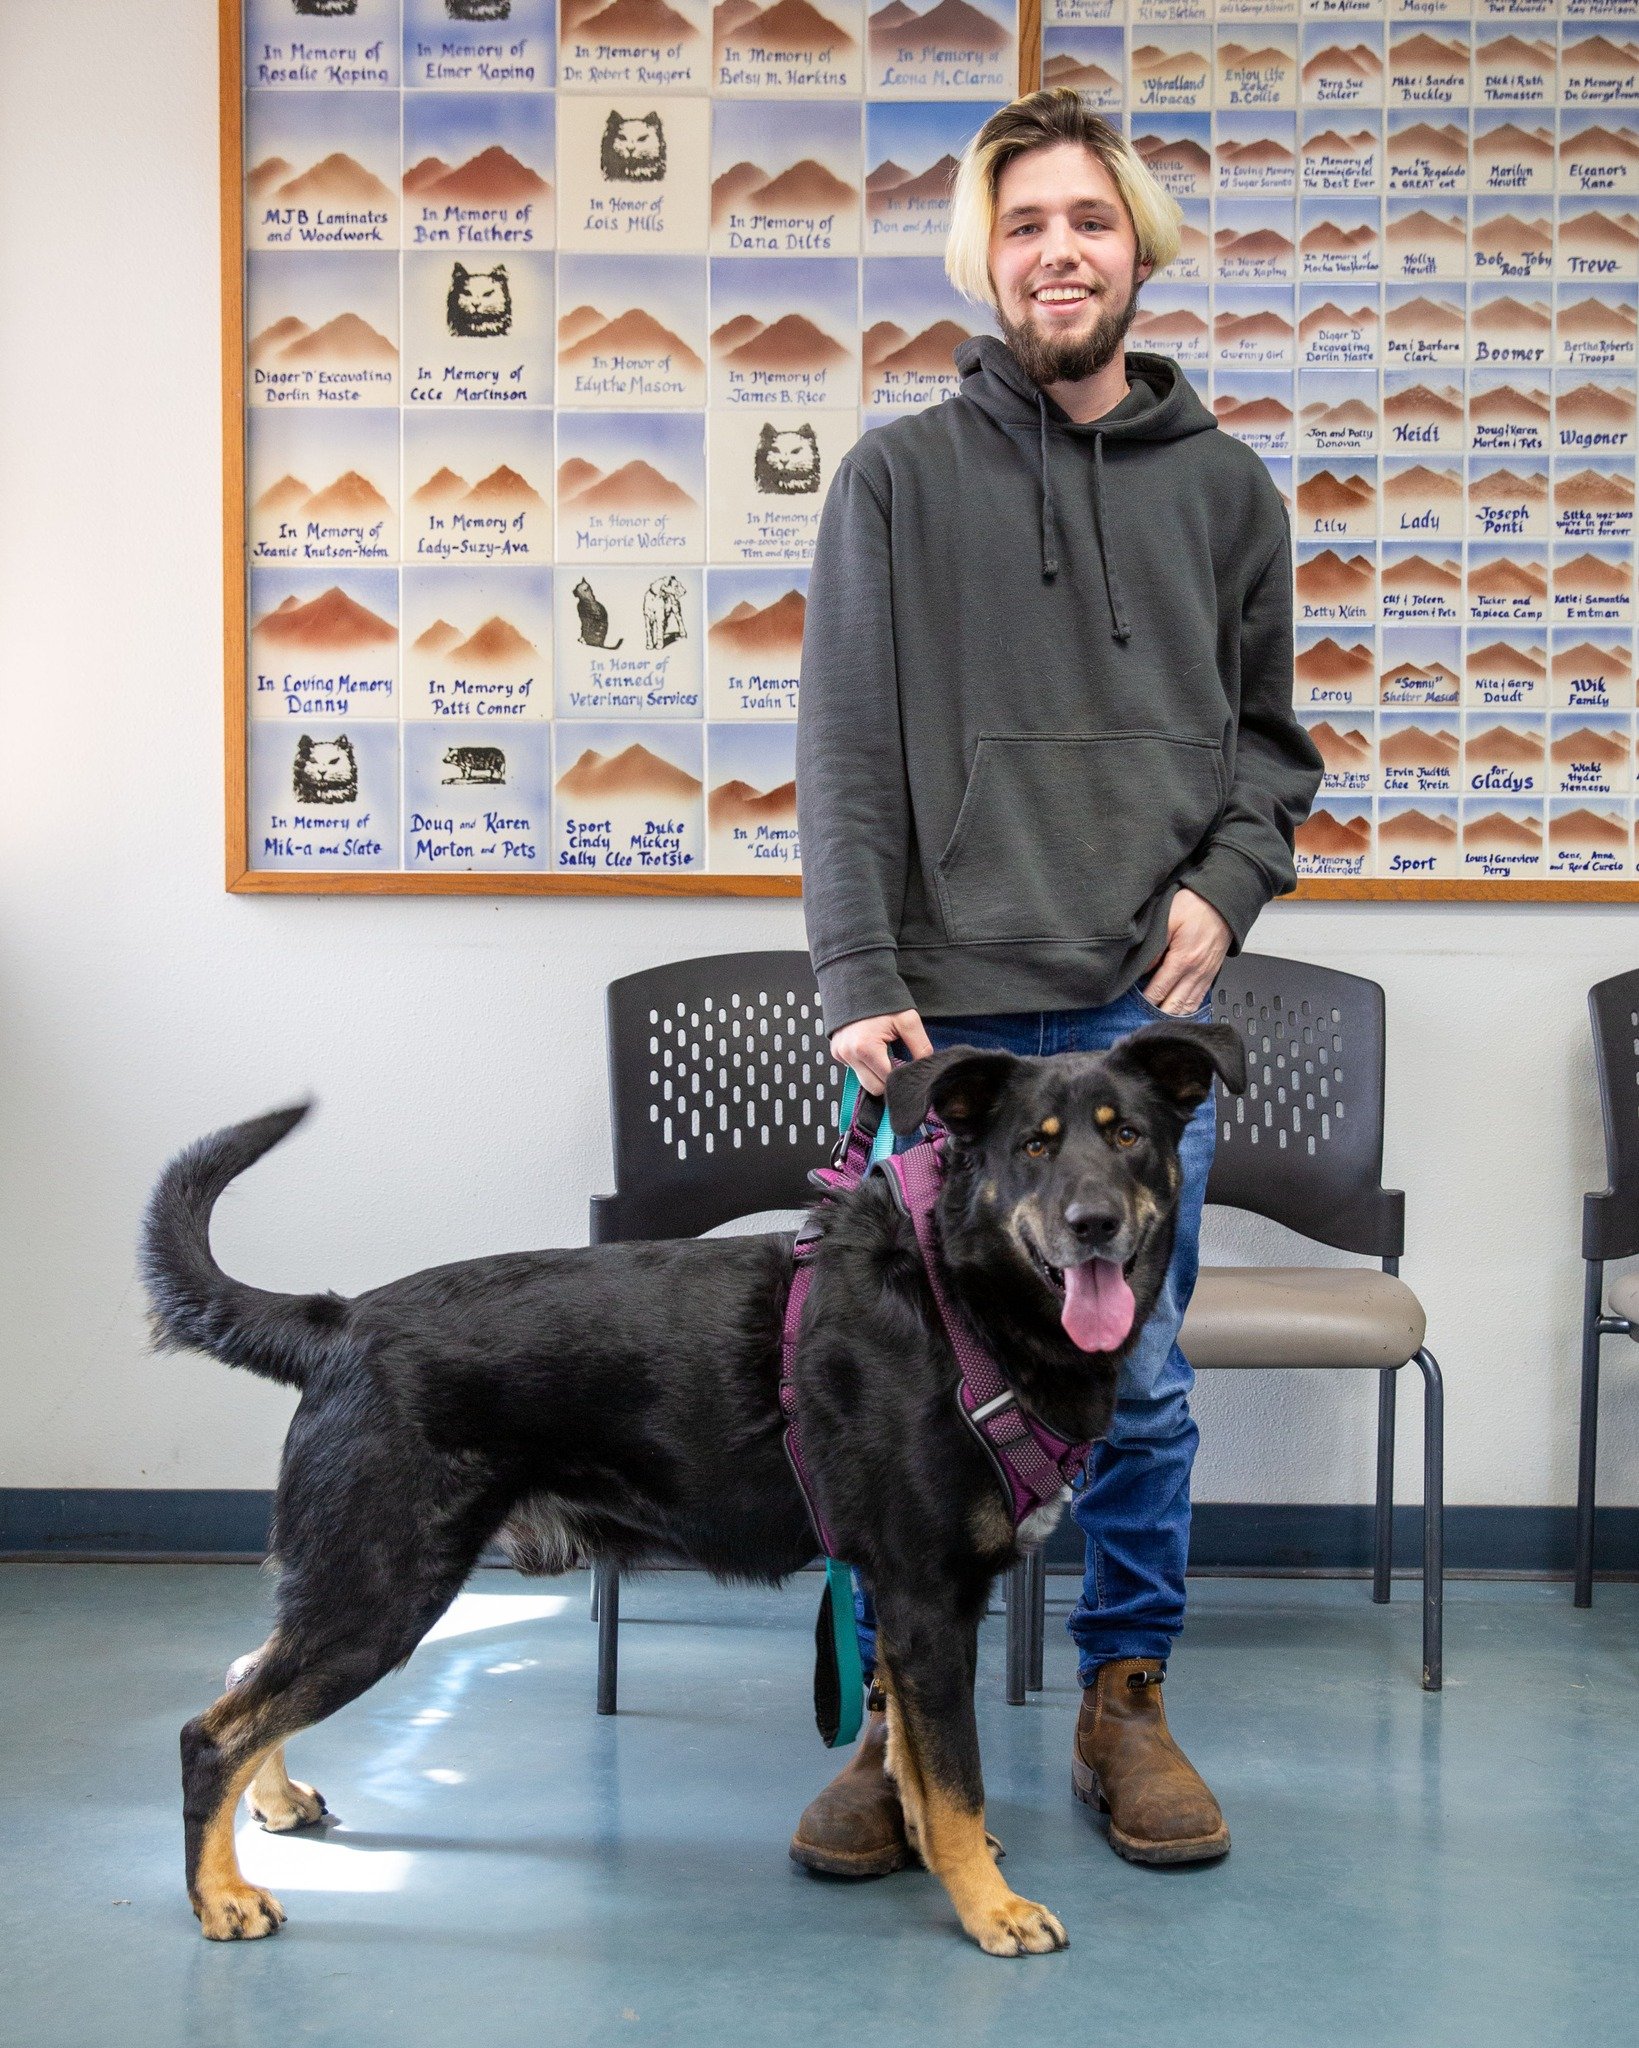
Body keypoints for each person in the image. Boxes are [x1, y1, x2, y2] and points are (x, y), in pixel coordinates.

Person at [789, 88, 1322, 1878]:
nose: (1058, 253)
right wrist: (858, 966)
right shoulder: (895, 481)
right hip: (939, 1036)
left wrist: (1230, 890)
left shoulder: (1229, 492)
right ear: (988, 257)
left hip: (1125, 1023)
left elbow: (1271, 754)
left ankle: (1127, 1703)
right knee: (882, 1392)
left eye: (1088, 220)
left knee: (1143, 1384)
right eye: (1024, 227)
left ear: (1137, 246)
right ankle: (896, 1735)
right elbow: (846, 749)